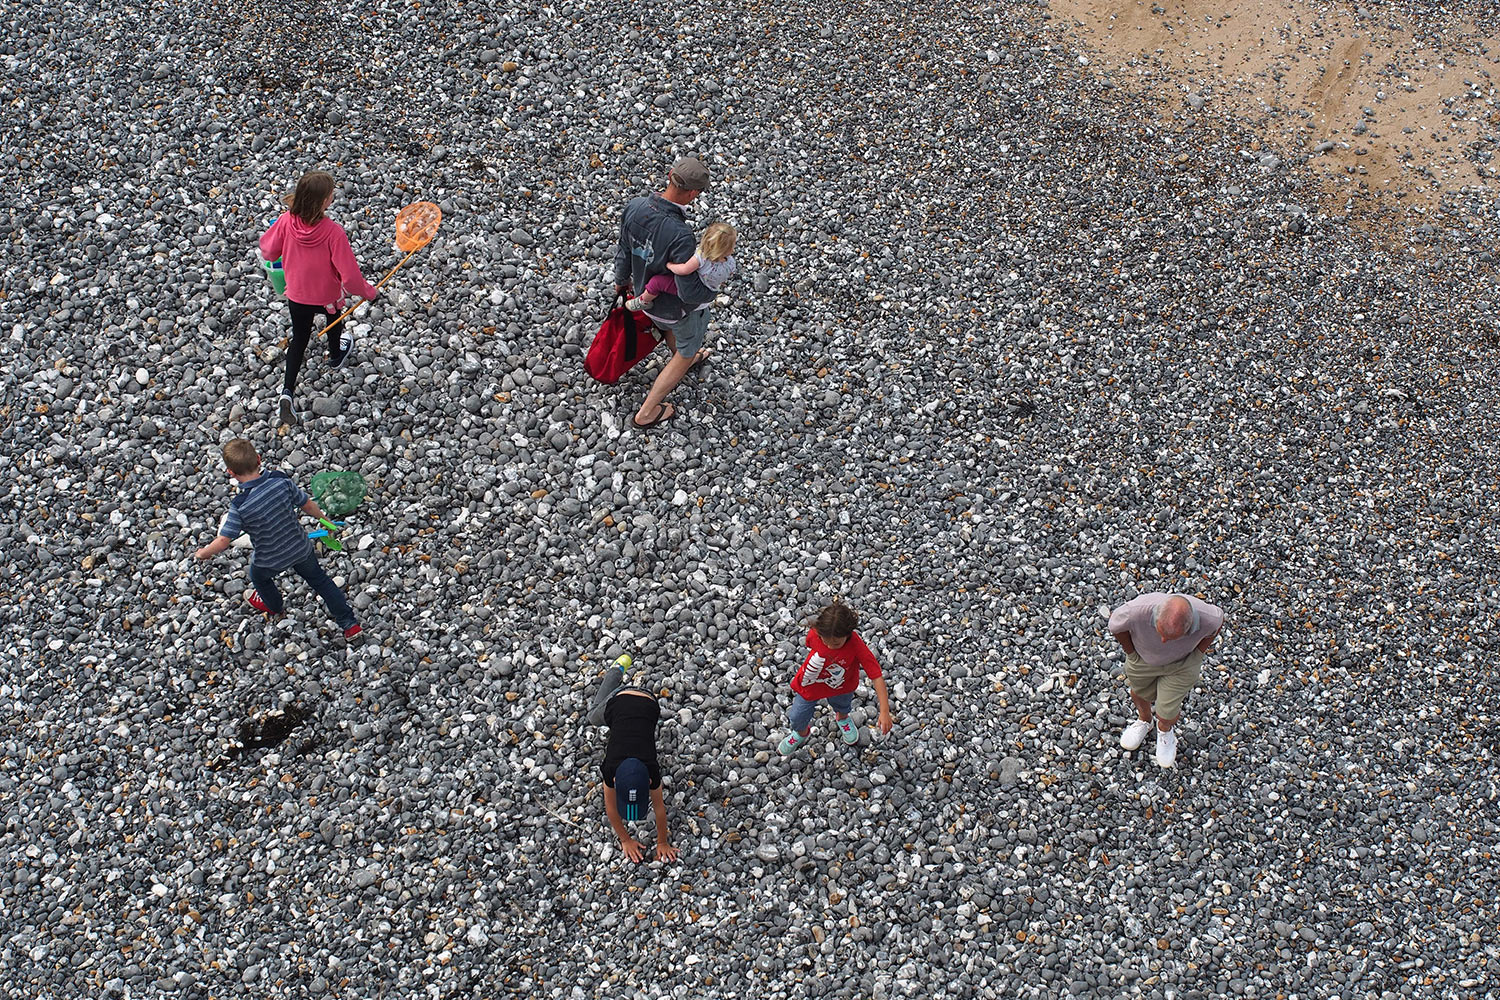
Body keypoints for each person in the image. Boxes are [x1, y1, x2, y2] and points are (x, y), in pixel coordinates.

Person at [194, 438, 363, 644]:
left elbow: (223, 541)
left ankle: (274, 606)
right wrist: (326, 521)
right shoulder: (280, 480)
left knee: (259, 578)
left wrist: (203, 553)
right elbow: (307, 505)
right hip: (300, 548)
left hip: (269, 559)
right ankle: (349, 624)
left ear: (231, 473)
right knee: (321, 582)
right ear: (259, 459)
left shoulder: (240, 505)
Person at [259, 171, 379, 426]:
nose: (334, 196)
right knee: (334, 324)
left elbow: (268, 251)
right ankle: (336, 356)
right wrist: (369, 291)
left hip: (298, 294)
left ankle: (287, 391)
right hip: (327, 297)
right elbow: (349, 279)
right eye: (331, 194)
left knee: (299, 338)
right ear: (323, 202)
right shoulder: (333, 232)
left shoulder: (284, 221)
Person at [612, 156, 716, 430]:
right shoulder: (681, 234)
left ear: (670, 175)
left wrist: (621, 281)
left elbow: (623, 249)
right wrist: (711, 290)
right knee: (684, 349)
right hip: (672, 309)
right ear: (693, 193)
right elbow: (687, 292)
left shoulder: (634, 206)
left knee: (671, 331)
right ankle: (647, 412)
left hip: (643, 297)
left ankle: (687, 355)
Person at [1107, 592, 1225, 768]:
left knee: (1167, 712)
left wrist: (1198, 654)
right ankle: (1145, 721)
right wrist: (1131, 653)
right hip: (1142, 659)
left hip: (1182, 665)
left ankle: (1165, 731)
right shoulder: (1136, 611)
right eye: (1159, 632)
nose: (1163, 640)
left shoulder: (1209, 617)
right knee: (1139, 692)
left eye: (1170, 638)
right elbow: (1115, 626)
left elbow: (1217, 626)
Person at [586, 654, 679, 862]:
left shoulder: (641, 769)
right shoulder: (615, 768)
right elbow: (657, 808)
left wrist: (662, 842)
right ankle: (617, 671)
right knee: (594, 717)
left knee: (601, 719)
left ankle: (618, 671)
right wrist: (626, 840)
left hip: (637, 701)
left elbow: (657, 810)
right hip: (636, 701)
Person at [778, 603, 893, 755]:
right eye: (825, 641)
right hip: (811, 683)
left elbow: (876, 675)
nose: (830, 646)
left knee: (842, 705)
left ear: (848, 634)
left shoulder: (856, 645)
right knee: (796, 717)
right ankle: (801, 733)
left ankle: (842, 719)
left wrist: (884, 711)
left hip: (842, 686)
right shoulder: (815, 634)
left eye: (837, 643)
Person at [626, 221, 737, 313]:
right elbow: (729, 274)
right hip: (711, 291)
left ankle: (643, 301)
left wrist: (670, 265)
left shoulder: (701, 258)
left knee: (656, 282)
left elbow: (684, 270)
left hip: (694, 289)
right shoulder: (731, 262)